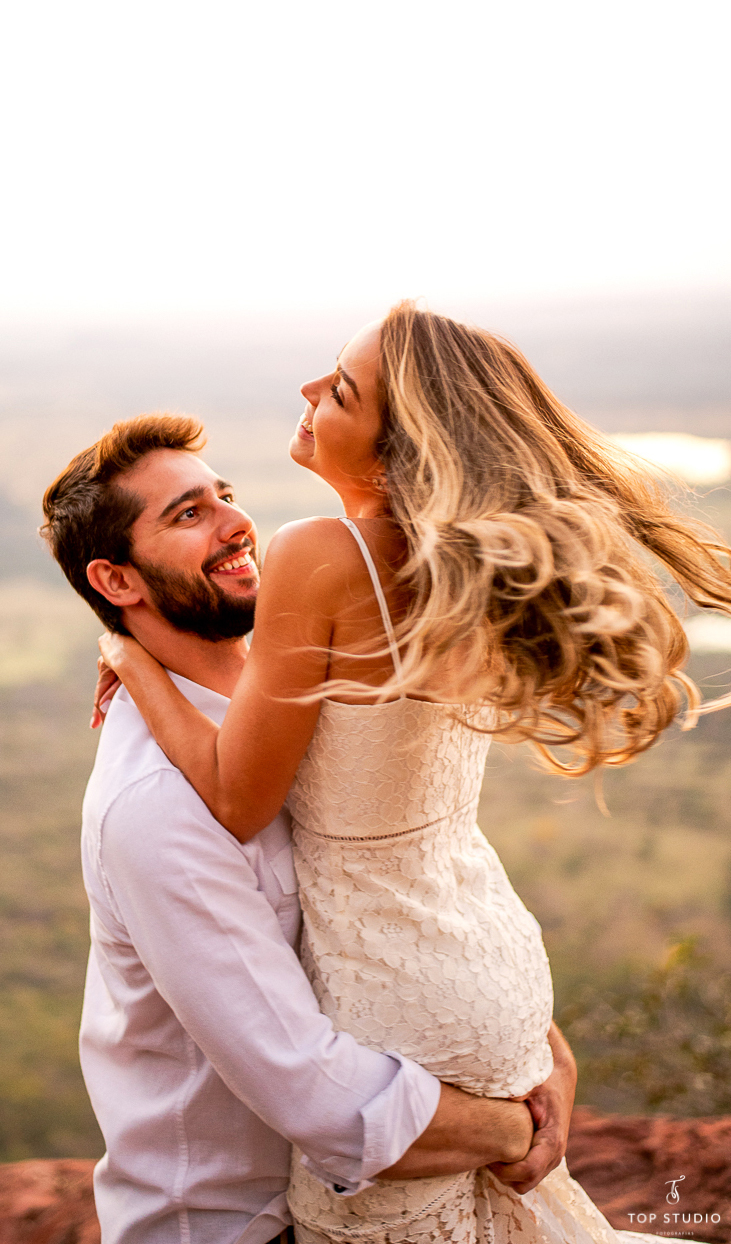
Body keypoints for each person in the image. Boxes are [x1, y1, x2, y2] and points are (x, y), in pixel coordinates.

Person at [93, 302, 731, 1243]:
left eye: (341, 389)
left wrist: (132, 663)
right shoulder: (460, 572)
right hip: (490, 961)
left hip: (394, 996)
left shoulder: (322, 554)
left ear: (396, 454)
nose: (311, 391)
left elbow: (234, 799)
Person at [41, 414, 577, 1244]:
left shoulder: (287, 708)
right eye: (188, 515)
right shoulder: (155, 807)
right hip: (244, 1227)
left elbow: (403, 894)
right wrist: (517, 1123)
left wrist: (535, 1048)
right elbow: (321, 1099)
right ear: (117, 583)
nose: (232, 521)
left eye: (225, 495)